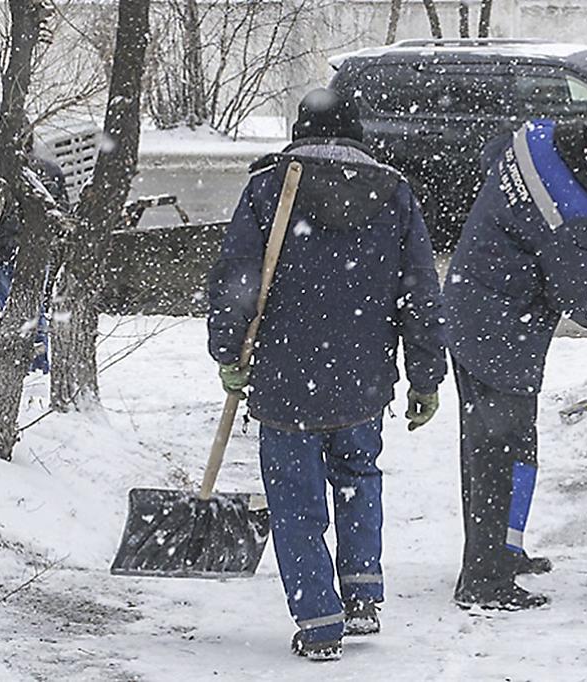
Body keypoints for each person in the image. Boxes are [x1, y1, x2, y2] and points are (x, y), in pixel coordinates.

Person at [206, 88, 447, 662]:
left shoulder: (271, 188)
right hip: (362, 380)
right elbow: (419, 292)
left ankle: (318, 620)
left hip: (284, 380)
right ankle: (362, 594)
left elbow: (237, 276)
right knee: (358, 478)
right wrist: (425, 376)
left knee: (295, 499)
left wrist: (227, 352)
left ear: (300, 130)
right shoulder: (394, 193)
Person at [443, 106, 587, 610]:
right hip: (498, 330)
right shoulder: (571, 210)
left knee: (508, 442)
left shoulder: (535, 137)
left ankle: (504, 552)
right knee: (497, 451)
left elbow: (492, 155)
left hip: (471, 302)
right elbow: (577, 291)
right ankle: (484, 581)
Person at [0, 123, 67, 374]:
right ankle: (38, 360)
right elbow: (62, 212)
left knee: (11, 307)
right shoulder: (49, 170)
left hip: (2, 253)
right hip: (39, 252)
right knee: (35, 306)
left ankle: (22, 362)